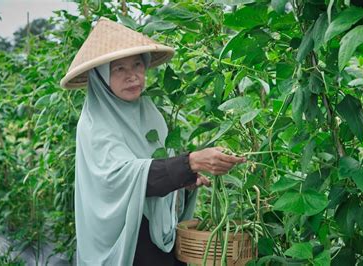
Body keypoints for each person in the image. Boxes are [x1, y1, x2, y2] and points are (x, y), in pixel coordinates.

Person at [60, 17, 245, 266]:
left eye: (137, 64)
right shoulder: (95, 125)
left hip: (158, 237)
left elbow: (156, 169)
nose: (133, 76)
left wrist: (185, 180)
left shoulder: (149, 113)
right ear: (101, 77)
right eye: (119, 69)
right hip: (126, 240)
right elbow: (122, 177)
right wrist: (190, 162)